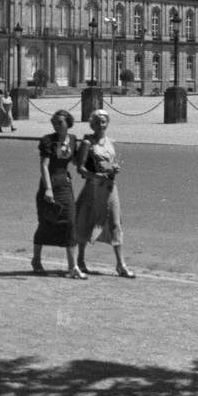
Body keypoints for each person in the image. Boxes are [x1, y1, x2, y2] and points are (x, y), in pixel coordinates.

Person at [76, 109, 135, 278]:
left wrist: (113, 168)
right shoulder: (88, 142)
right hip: (93, 187)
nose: (101, 125)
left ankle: (120, 264)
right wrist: (97, 175)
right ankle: (80, 260)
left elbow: (109, 162)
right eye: (97, 122)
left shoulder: (109, 141)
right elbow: (80, 168)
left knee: (115, 222)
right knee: (85, 220)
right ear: (92, 124)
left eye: (104, 122)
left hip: (109, 187)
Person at [31, 110, 83, 278]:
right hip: (50, 184)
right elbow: (44, 166)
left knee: (70, 222)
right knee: (46, 223)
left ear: (68, 123)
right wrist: (48, 189)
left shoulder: (73, 140)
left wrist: (87, 153)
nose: (56, 125)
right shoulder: (48, 141)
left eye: (60, 122)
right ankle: (36, 260)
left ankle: (72, 266)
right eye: (54, 122)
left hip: (65, 185)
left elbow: (76, 163)